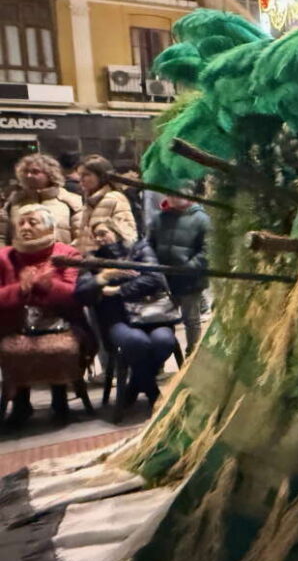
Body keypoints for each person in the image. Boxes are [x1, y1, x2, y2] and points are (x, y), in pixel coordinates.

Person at [0, 205, 93, 426]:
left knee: (62, 347)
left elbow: (74, 295)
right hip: (16, 324)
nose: (25, 228)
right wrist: (20, 290)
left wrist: (48, 285)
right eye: (21, 223)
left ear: (50, 227)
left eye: (33, 222)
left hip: (62, 323)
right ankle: (21, 403)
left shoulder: (66, 254)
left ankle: (60, 400)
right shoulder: (5, 256)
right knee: (10, 347)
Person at [75, 221, 178, 410]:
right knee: (136, 342)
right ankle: (153, 393)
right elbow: (82, 293)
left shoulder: (139, 249)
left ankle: (135, 385)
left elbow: (154, 278)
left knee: (164, 341)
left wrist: (117, 290)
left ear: (116, 231)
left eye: (102, 232)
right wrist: (103, 277)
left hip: (152, 314)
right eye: (94, 236)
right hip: (117, 320)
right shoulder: (90, 261)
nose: (99, 238)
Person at [148, 196, 209, 355]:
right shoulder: (158, 218)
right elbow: (149, 246)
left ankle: (192, 357)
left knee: (192, 320)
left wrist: (189, 268)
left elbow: (206, 250)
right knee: (163, 322)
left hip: (190, 280)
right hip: (164, 281)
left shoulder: (201, 218)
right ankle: (161, 359)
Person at [0, 154, 83, 245]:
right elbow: (5, 238)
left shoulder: (70, 202)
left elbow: (80, 238)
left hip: (60, 257)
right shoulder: (14, 202)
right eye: (25, 171)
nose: (29, 175)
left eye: (35, 172)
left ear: (50, 174)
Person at [74, 155, 138, 253]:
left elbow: (129, 233)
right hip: (89, 261)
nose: (81, 179)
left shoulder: (114, 198)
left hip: (109, 260)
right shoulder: (89, 202)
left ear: (101, 176)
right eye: (80, 175)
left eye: (86, 174)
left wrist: (106, 235)